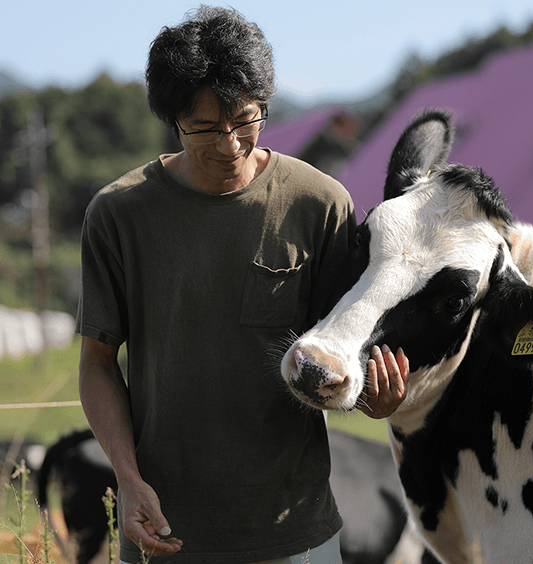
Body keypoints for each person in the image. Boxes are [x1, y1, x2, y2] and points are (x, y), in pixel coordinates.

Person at [76, 6, 409, 564]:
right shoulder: (119, 215)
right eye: (204, 127)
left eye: (246, 120)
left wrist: (376, 399)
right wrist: (128, 480)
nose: (229, 144)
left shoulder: (320, 205)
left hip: (296, 532)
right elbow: (98, 363)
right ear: (172, 118)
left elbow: (347, 356)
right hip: (164, 530)